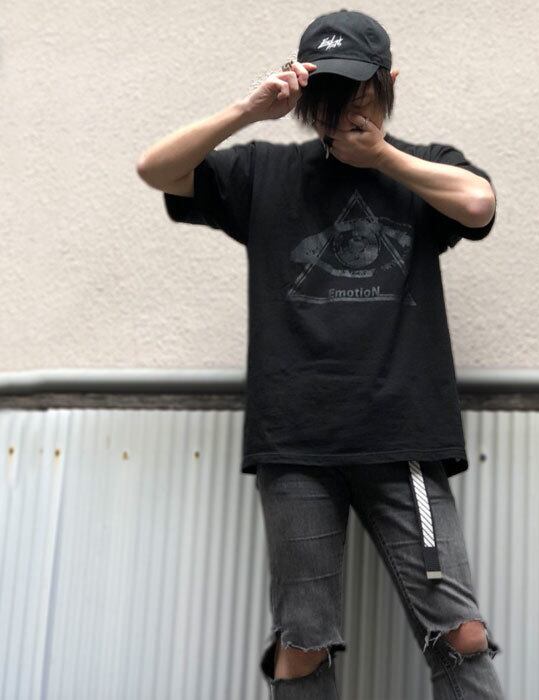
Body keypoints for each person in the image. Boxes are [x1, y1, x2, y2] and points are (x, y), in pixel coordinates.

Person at [137, 9, 503, 699]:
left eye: (359, 86)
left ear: (388, 81)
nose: (345, 104)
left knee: (461, 633)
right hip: (295, 440)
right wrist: (249, 110)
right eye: (329, 88)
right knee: (302, 643)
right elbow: (155, 168)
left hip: (402, 435)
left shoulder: (425, 168)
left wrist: (382, 158)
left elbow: (479, 204)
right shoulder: (264, 172)